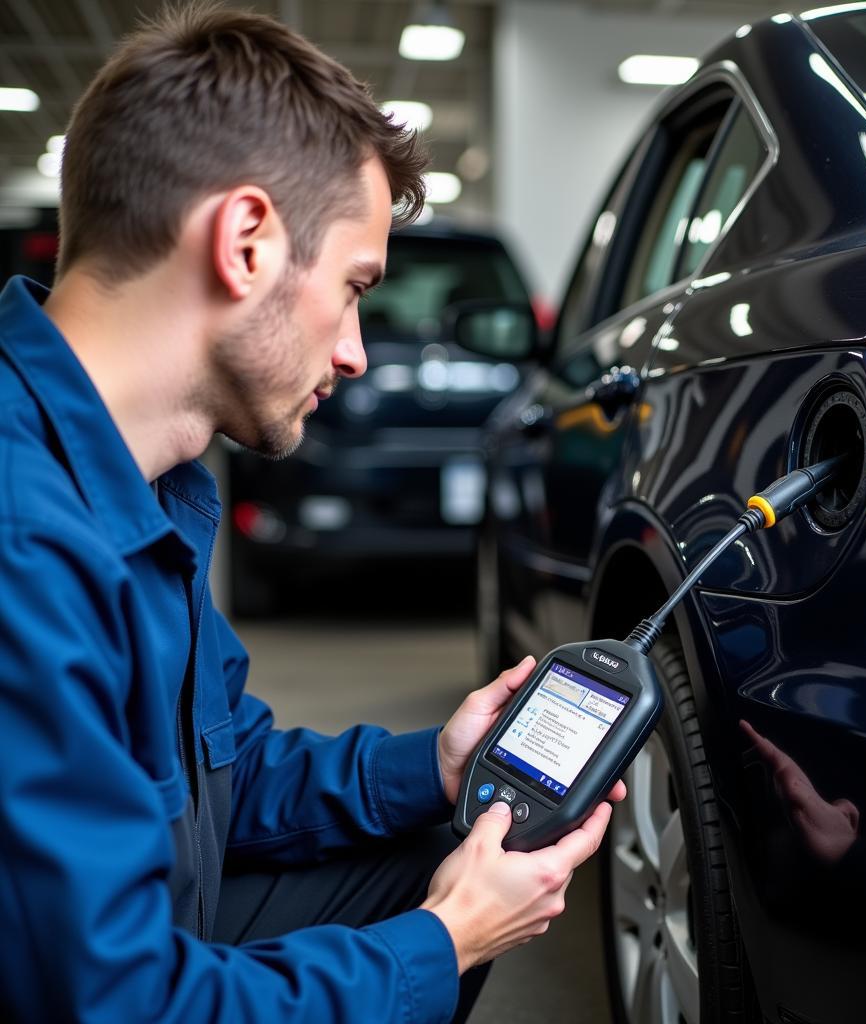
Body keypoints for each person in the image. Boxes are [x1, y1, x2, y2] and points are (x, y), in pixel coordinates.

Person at [0, 5, 624, 1021]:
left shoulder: (133, 483)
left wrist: (432, 763)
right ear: (245, 243)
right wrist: (443, 941)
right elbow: (112, 1004)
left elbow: (221, 774)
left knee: (430, 853)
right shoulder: (24, 539)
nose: (356, 351)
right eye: (354, 287)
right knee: (433, 921)